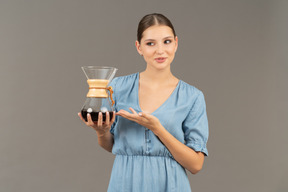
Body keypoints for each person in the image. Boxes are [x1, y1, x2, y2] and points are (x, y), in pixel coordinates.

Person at [78, 13, 209, 192]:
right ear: (139, 47)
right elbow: (111, 145)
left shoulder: (192, 97)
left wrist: (158, 129)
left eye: (167, 41)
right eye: (150, 43)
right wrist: (102, 132)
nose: (160, 50)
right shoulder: (117, 87)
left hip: (170, 184)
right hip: (124, 182)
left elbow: (196, 165)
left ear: (176, 43)